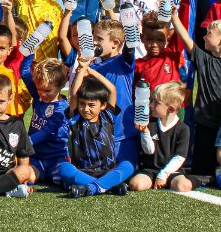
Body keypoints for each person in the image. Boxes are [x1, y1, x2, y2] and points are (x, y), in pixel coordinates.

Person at [171, 14, 221, 175]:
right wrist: (174, 18)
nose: (204, 37)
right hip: (205, 126)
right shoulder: (205, 60)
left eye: (209, 33)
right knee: (201, 171)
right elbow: (186, 39)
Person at [57, 66, 135, 197]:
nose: (86, 109)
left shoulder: (108, 115)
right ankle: (107, 186)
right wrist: (82, 70)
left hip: (108, 171)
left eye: (91, 105)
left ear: (103, 105)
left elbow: (112, 89)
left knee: (128, 165)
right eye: (82, 104)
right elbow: (74, 93)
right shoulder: (76, 118)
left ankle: (92, 188)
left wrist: (91, 71)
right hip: (82, 172)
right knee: (64, 168)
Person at [130, 81, 205, 192]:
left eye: (156, 103)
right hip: (150, 169)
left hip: (171, 171)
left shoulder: (183, 129)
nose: (151, 105)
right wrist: (145, 132)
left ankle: (201, 179)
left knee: (183, 186)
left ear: (171, 109)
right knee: (136, 184)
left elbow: (179, 157)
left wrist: (163, 175)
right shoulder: (150, 124)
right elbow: (149, 151)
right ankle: (155, 181)